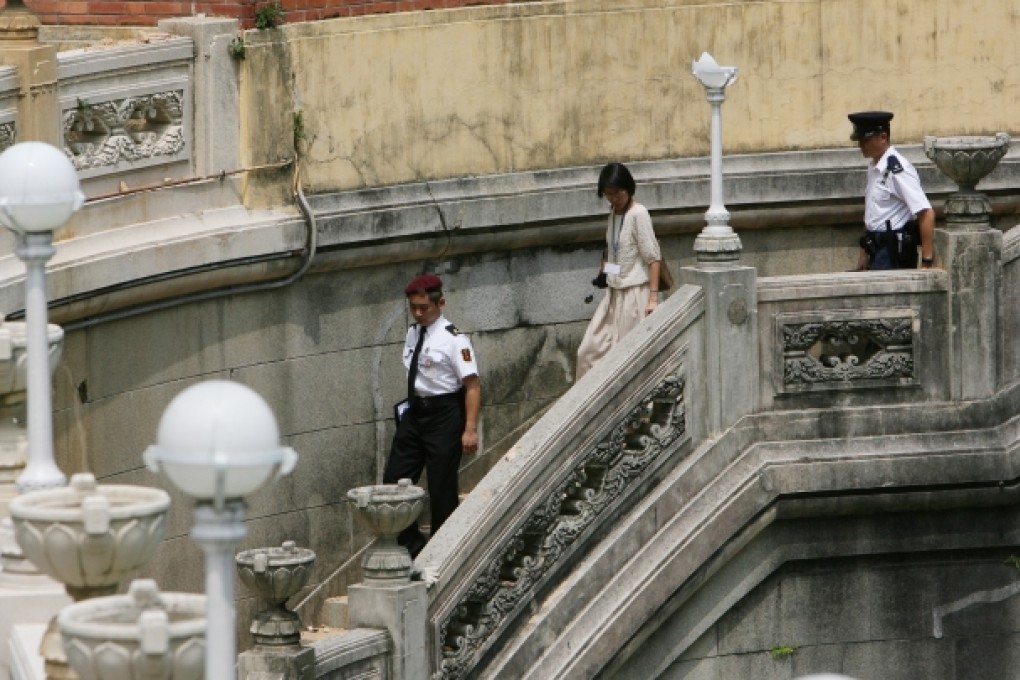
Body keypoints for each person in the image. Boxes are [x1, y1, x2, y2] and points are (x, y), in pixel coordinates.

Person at [384, 274, 481, 558]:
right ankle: (412, 545)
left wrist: (470, 429)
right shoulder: (414, 332)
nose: (418, 312)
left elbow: (472, 386)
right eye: (413, 307)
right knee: (394, 483)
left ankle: (443, 551)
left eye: (424, 307)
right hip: (416, 413)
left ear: (441, 303)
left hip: (445, 414)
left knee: (441, 487)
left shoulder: (454, 340)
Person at [576, 162, 663, 380]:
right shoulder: (613, 214)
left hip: (635, 295)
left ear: (629, 188)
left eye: (617, 194)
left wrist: (652, 299)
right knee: (588, 352)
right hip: (613, 295)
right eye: (608, 195)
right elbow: (624, 259)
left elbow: (653, 258)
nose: (614, 200)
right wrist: (605, 270)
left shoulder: (639, 214)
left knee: (627, 361)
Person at [848, 111, 935, 271]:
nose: (861, 145)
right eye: (860, 140)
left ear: (883, 137)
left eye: (866, 140)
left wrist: (927, 261)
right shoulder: (874, 167)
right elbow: (873, 214)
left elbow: (926, 213)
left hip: (893, 252)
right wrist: (863, 254)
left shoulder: (897, 170)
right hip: (875, 249)